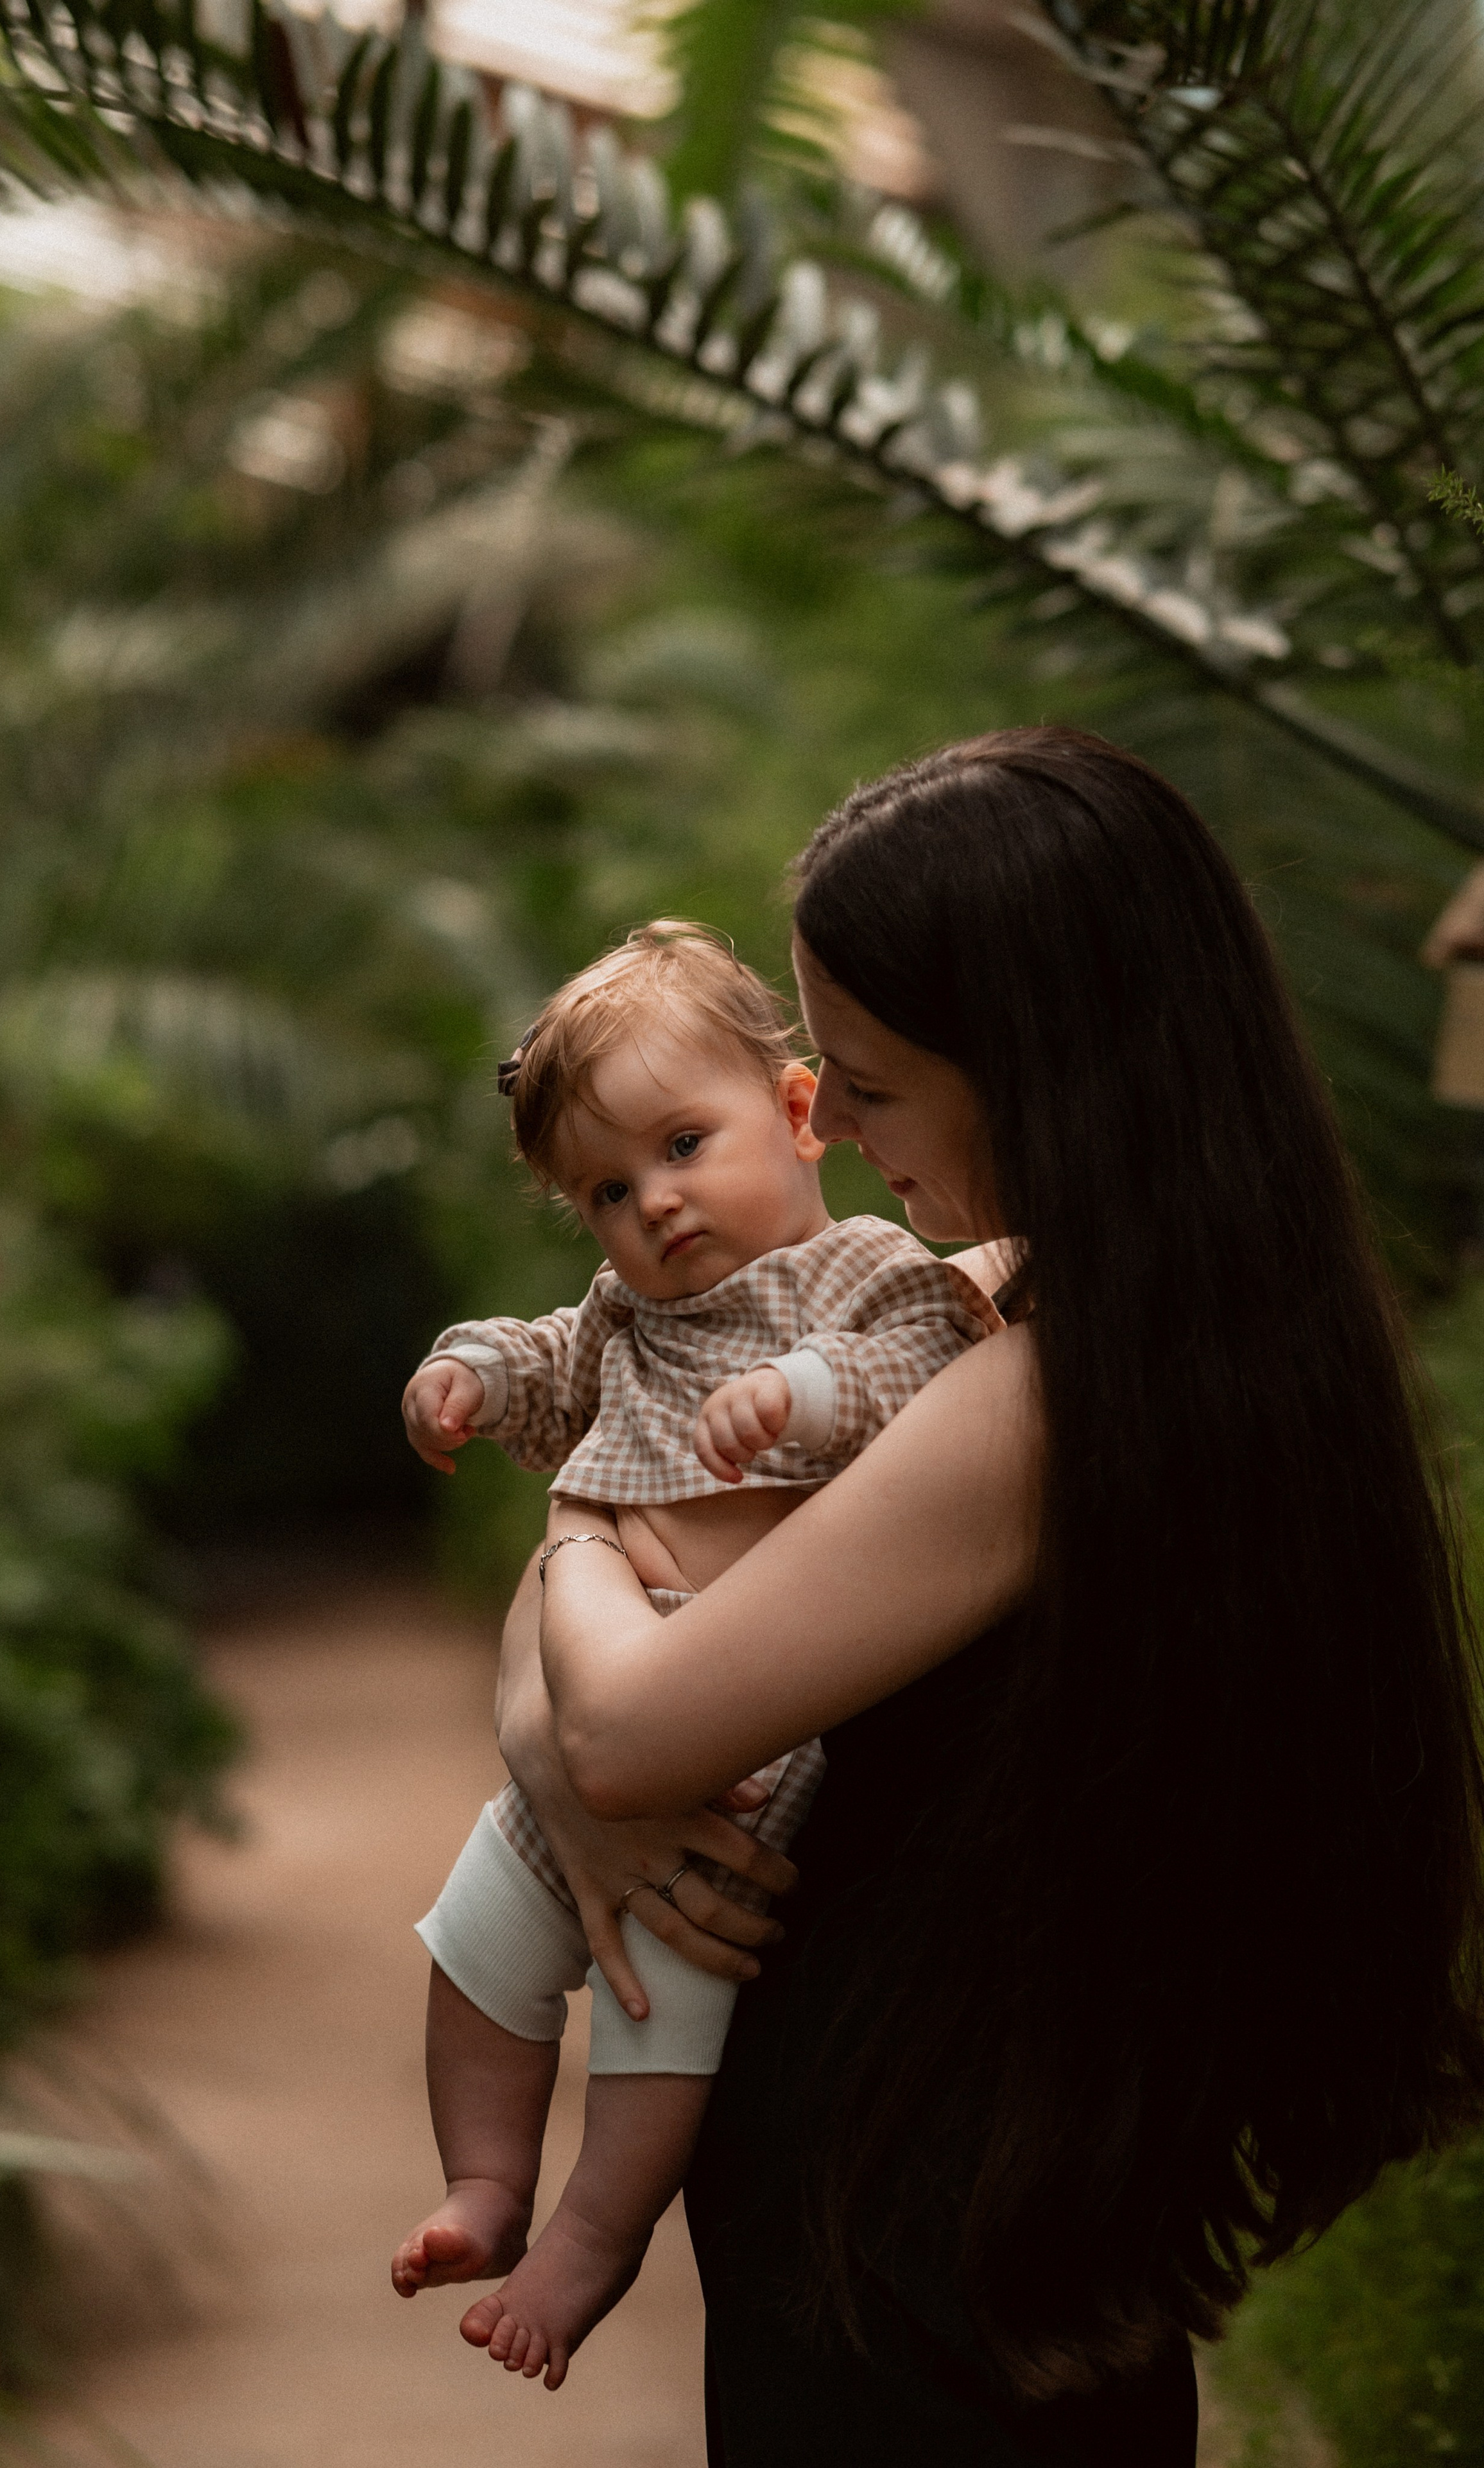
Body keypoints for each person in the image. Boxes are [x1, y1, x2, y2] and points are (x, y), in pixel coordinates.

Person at [497, 726, 1484, 2464]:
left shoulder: (1033, 1402)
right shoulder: (1143, 1322)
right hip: (955, 2239)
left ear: (1035, 1068)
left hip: (914, 2279)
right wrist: (575, 1750)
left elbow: (629, 1712)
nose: (839, 1130)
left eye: (869, 1085)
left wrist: (575, 1560)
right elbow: (603, 1690)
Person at [391, 921, 1004, 2388]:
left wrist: (795, 1392)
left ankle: (590, 2239)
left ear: (799, 1115)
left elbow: (912, 1366)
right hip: (581, 1753)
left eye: (681, 1142)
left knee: (665, 2010)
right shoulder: (627, 1314)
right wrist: (469, 1372)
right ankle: (483, 2181)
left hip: (732, 1757)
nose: (653, 1203)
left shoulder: (866, 1274)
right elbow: (551, 1360)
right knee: (474, 1949)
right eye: (607, 1189)